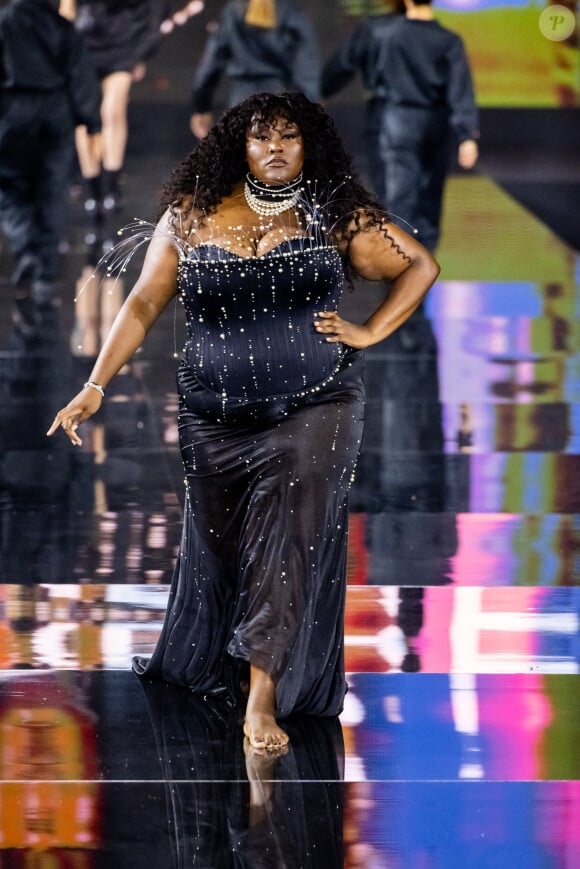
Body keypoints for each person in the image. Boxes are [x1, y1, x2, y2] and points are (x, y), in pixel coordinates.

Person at [48, 91, 439, 750]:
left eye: (290, 136)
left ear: (308, 144)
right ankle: (231, 664)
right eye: (263, 138)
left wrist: (369, 330)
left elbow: (420, 265)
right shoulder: (191, 214)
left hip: (318, 399)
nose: (277, 148)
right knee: (227, 548)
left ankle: (263, 698)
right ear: (241, 146)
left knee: (288, 533)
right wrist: (94, 385)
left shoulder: (335, 212)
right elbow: (144, 301)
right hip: (213, 414)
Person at [323, 0, 479, 252]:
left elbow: (344, 65)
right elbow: (460, 90)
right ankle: (423, 264)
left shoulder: (384, 32)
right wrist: (467, 134)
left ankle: (403, 267)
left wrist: (318, 91)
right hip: (436, 124)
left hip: (396, 120)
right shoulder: (449, 40)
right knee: (430, 199)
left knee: (399, 198)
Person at [0, 0, 101, 306]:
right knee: (52, 190)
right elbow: (80, 74)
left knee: (8, 188)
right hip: (56, 113)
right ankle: (45, 273)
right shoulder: (62, 27)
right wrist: (90, 119)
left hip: (12, 112)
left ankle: (26, 246)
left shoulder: (4, 22)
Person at [61, 0, 169, 219]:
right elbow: (67, 9)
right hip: (85, 43)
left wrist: (142, 53)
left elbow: (157, 10)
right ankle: (94, 189)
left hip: (124, 44)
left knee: (113, 111)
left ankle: (111, 186)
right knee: (85, 118)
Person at [190, 0, 321, 140]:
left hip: (240, 101)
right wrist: (311, 107)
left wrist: (201, 106)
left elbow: (212, 61)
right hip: (281, 100)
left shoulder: (233, 11)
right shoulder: (291, 12)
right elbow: (308, 65)